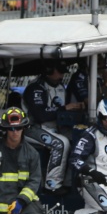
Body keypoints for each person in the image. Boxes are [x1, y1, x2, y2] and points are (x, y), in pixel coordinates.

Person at [22, 62, 78, 191]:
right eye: (60, 71)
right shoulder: (36, 87)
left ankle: (69, 183)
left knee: (78, 139)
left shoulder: (61, 87)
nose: (63, 74)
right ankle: (52, 185)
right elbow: (40, 115)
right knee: (61, 143)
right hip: (32, 128)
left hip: (54, 128)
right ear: (48, 69)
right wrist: (64, 108)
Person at [70, 99, 107, 214]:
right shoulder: (90, 135)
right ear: (99, 116)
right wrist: (92, 172)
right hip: (88, 182)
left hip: (105, 183)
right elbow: (74, 159)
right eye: (105, 119)